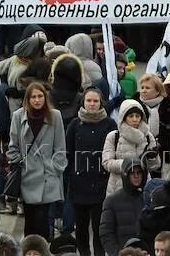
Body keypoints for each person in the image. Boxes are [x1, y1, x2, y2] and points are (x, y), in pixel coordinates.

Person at [8, 82, 66, 238]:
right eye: (33, 96)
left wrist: (54, 168)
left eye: (40, 96)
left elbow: (60, 148)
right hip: (27, 177)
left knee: (43, 222)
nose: (37, 100)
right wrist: (20, 162)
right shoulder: (18, 116)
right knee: (30, 223)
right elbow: (12, 146)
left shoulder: (55, 116)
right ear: (28, 99)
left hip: (47, 177)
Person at [65, 87, 115, 256]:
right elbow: (68, 152)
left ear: (101, 103)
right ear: (83, 102)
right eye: (89, 101)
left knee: (99, 226)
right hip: (79, 183)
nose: (92, 104)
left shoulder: (109, 124)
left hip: (102, 183)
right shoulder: (74, 124)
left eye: (95, 101)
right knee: (81, 227)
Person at [99, 158, 145, 256]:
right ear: (126, 175)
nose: (136, 176)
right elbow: (106, 233)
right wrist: (117, 253)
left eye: (139, 173)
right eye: (132, 173)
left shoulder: (147, 199)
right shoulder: (112, 201)